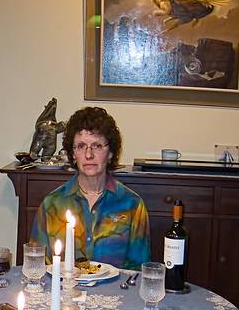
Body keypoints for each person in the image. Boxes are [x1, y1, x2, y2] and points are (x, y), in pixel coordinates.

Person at [30, 106, 151, 270]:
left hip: (116, 294)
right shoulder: (52, 204)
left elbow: (137, 273)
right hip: (63, 294)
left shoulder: (132, 205)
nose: (88, 155)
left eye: (97, 146)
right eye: (80, 146)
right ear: (72, 154)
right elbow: (37, 268)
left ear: (110, 153)